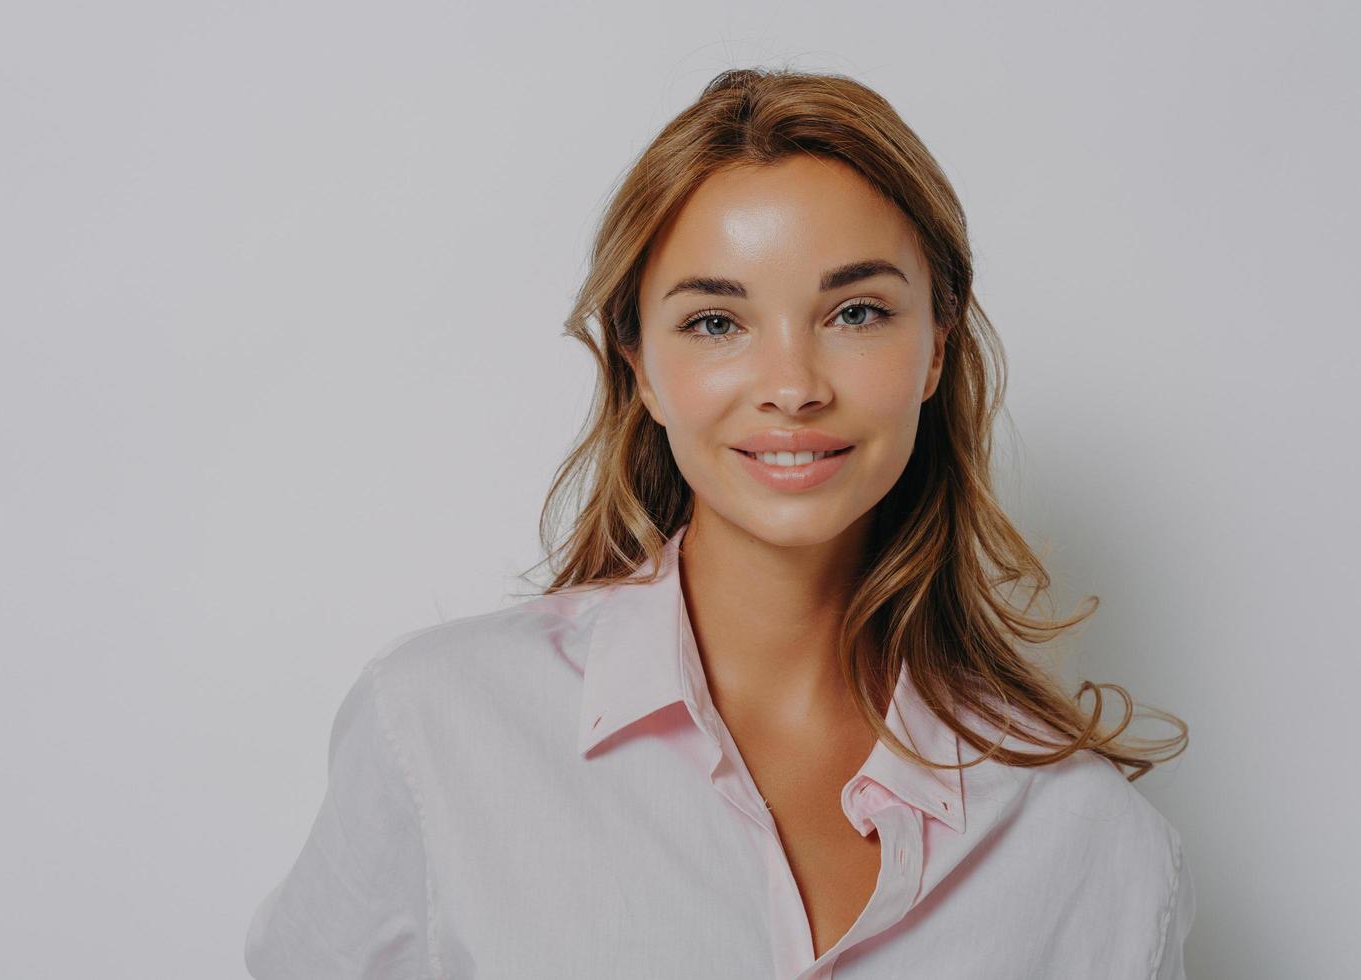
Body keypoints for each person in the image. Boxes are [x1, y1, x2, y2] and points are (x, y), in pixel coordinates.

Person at [243, 67, 1194, 979]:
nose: (792, 387)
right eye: (714, 323)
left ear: (936, 350)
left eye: (857, 312)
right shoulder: (440, 728)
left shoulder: (1090, 841)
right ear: (641, 367)